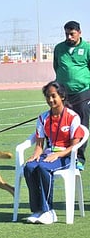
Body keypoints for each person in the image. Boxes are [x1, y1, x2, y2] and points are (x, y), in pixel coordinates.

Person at [24, 81, 85, 224]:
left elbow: (74, 147)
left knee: (43, 167)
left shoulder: (72, 117)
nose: (50, 100)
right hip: (48, 155)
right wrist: (35, 155)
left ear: (62, 96)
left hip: (66, 157)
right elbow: (39, 145)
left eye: (53, 96)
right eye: (47, 97)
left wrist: (58, 154)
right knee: (29, 167)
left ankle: (49, 211)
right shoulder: (43, 118)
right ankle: (37, 210)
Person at [53, 20, 90, 169]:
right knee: (62, 124)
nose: (69, 37)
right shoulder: (59, 48)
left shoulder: (87, 48)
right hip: (63, 94)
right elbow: (57, 67)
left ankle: (79, 158)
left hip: (82, 93)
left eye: (72, 34)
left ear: (79, 33)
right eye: (67, 34)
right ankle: (62, 155)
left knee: (80, 125)